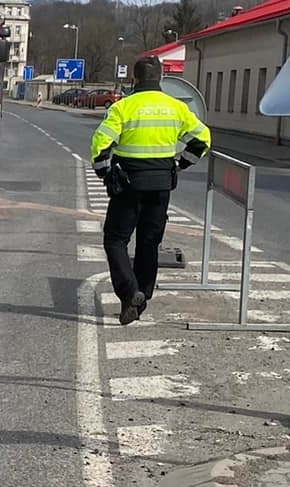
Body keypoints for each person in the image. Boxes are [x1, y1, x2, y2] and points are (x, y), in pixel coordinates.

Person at [90, 56, 211, 325]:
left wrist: (105, 172)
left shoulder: (124, 107)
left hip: (129, 184)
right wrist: (180, 165)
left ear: (134, 78)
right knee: (149, 243)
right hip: (161, 186)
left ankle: (129, 291)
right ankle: (141, 295)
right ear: (159, 78)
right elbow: (202, 139)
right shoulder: (176, 108)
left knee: (115, 240)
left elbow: (100, 143)